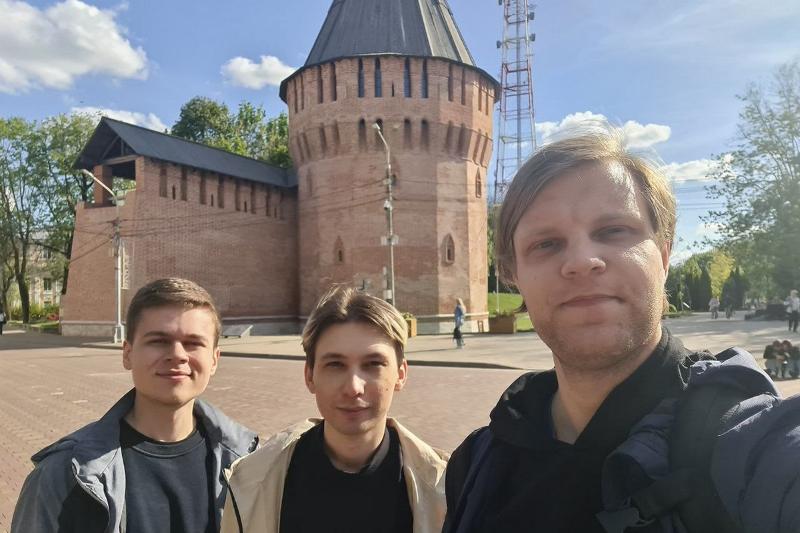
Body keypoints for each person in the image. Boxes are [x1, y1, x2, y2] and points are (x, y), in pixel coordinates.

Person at [443, 129, 800, 533]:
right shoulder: (475, 464)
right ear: (514, 276)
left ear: (663, 256)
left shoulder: (749, 442)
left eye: (613, 230)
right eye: (546, 244)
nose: (582, 261)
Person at [12, 278, 259, 533]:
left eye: (193, 343)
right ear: (127, 354)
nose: (177, 355)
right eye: (158, 341)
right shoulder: (63, 475)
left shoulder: (249, 465)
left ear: (214, 360)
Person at [221, 286, 447, 533]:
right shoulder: (251, 483)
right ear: (309, 376)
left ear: (400, 375)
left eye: (373, 364)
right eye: (335, 365)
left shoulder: (445, 488)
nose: (353, 388)